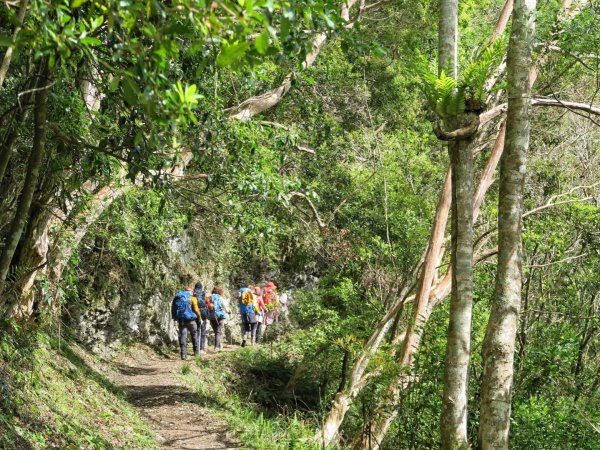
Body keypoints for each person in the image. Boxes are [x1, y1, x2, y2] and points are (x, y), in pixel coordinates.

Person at [171, 286, 199, 360]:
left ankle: (183, 354)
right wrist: (199, 317)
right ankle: (196, 353)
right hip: (191, 319)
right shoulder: (192, 297)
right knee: (194, 335)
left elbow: (173, 308)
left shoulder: (178, 296)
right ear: (191, 291)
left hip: (181, 319)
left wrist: (175, 317)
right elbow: (196, 309)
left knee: (183, 335)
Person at [209, 285, 230, 352]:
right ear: (220, 292)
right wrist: (228, 311)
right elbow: (225, 308)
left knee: (216, 332)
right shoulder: (220, 298)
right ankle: (217, 347)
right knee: (218, 332)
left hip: (212, 317)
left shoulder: (209, 297)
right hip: (220, 317)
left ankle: (219, 345)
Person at [193, 282, 208, 354]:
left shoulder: (192, 293)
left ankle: (196, 349)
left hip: (195, 313)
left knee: (196, 331)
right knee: (203, 331)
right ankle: (201, 349)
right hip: (203, 313)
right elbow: (205, 302)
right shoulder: (203, 293)